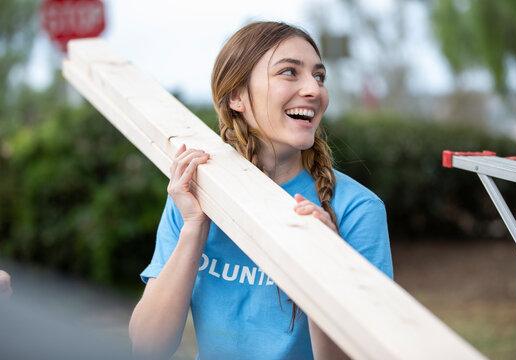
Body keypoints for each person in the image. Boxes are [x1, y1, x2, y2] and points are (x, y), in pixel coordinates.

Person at [129, 21, 393, 360]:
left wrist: (326, 265)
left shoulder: (357, 209)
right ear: (237, 96)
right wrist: (194, 226)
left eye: (319, 76)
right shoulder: (195, 191)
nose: (314, 89)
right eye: (289, 72)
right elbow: (148, 347)